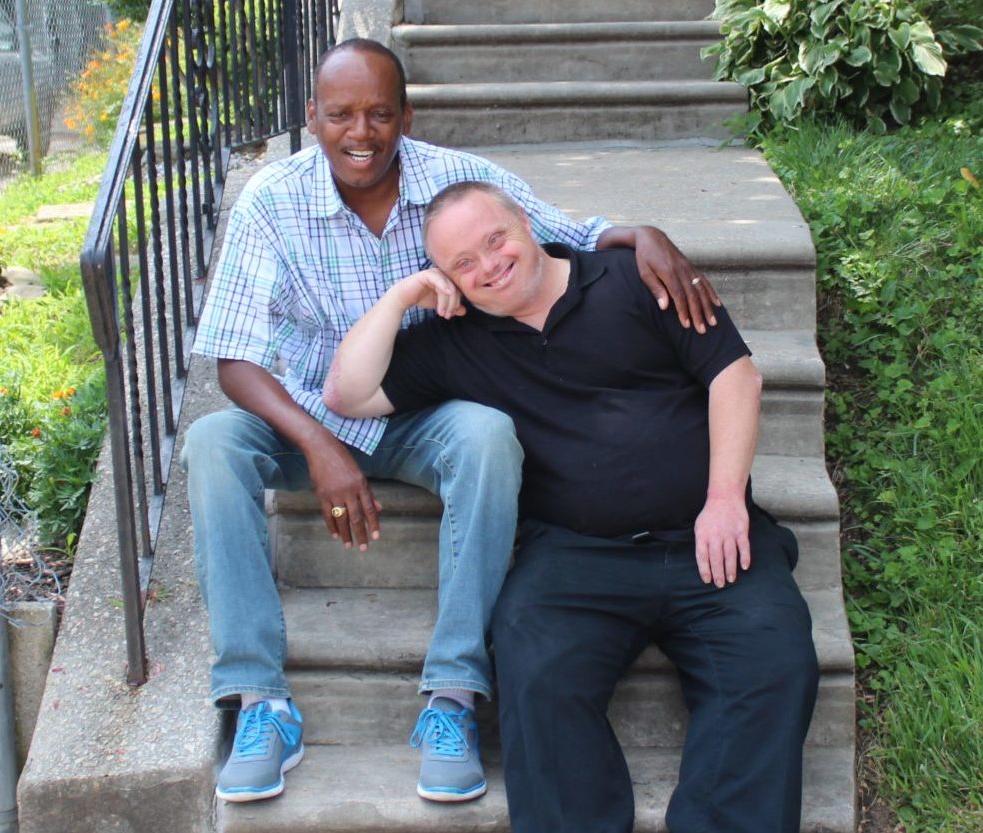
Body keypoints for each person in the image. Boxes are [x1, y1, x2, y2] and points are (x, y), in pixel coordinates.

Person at [181, 37, 721, 805]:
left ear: (405, 115)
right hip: (309, 410)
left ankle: (453, 696)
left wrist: (642, 236)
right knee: (211, 442)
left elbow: (557, 231)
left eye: (377, 113)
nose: (358, 132)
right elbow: (233, 359)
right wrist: (318, 444)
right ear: (312, 117)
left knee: (490, 434)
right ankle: (258, 699)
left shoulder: (455, 182)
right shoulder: (272, 200)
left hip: (421, 411)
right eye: (339, 114)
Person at [324, 181, 820, 833]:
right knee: (532, 665)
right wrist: (400, 297)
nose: (488, 266)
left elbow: (735, 376)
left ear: (526, 222)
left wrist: (724, 498)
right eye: (461, 265)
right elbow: (346, 394)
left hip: (706, 536)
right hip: (575, 559)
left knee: (773, 660)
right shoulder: (456, 341)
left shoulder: (636, 278)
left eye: (494, 240)